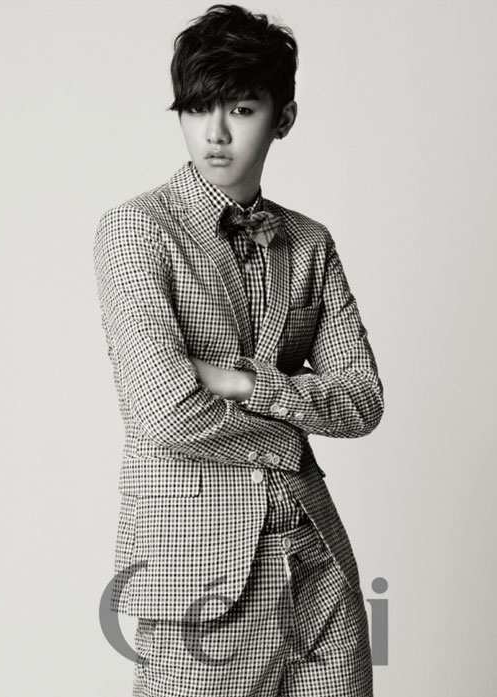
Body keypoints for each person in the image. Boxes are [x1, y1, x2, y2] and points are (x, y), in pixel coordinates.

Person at [93, 4, 384, 696]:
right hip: (197, 582)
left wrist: (245, 383)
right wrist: (290, 432)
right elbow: (164, 411)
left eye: (242, 109)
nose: (216, 133)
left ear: (283, 118)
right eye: (198, 109)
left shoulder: (309, 242)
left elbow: (364, 399)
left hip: (318, 572)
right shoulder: (138, 230)